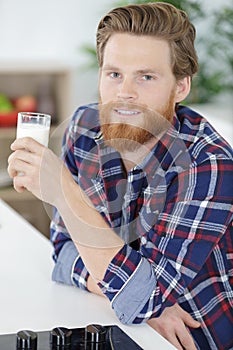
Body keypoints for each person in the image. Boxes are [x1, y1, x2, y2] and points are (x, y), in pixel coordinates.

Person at [8, 2, 233, 350]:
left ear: (181, 86)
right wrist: (130, 294)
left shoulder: (207, 164)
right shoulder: (84, 129)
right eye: (114, 74)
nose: (124, 92)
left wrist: (65, 192)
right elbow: (64, 254)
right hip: (118, 325)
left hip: (194, 340)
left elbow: (143, 298)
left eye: (146, 76)